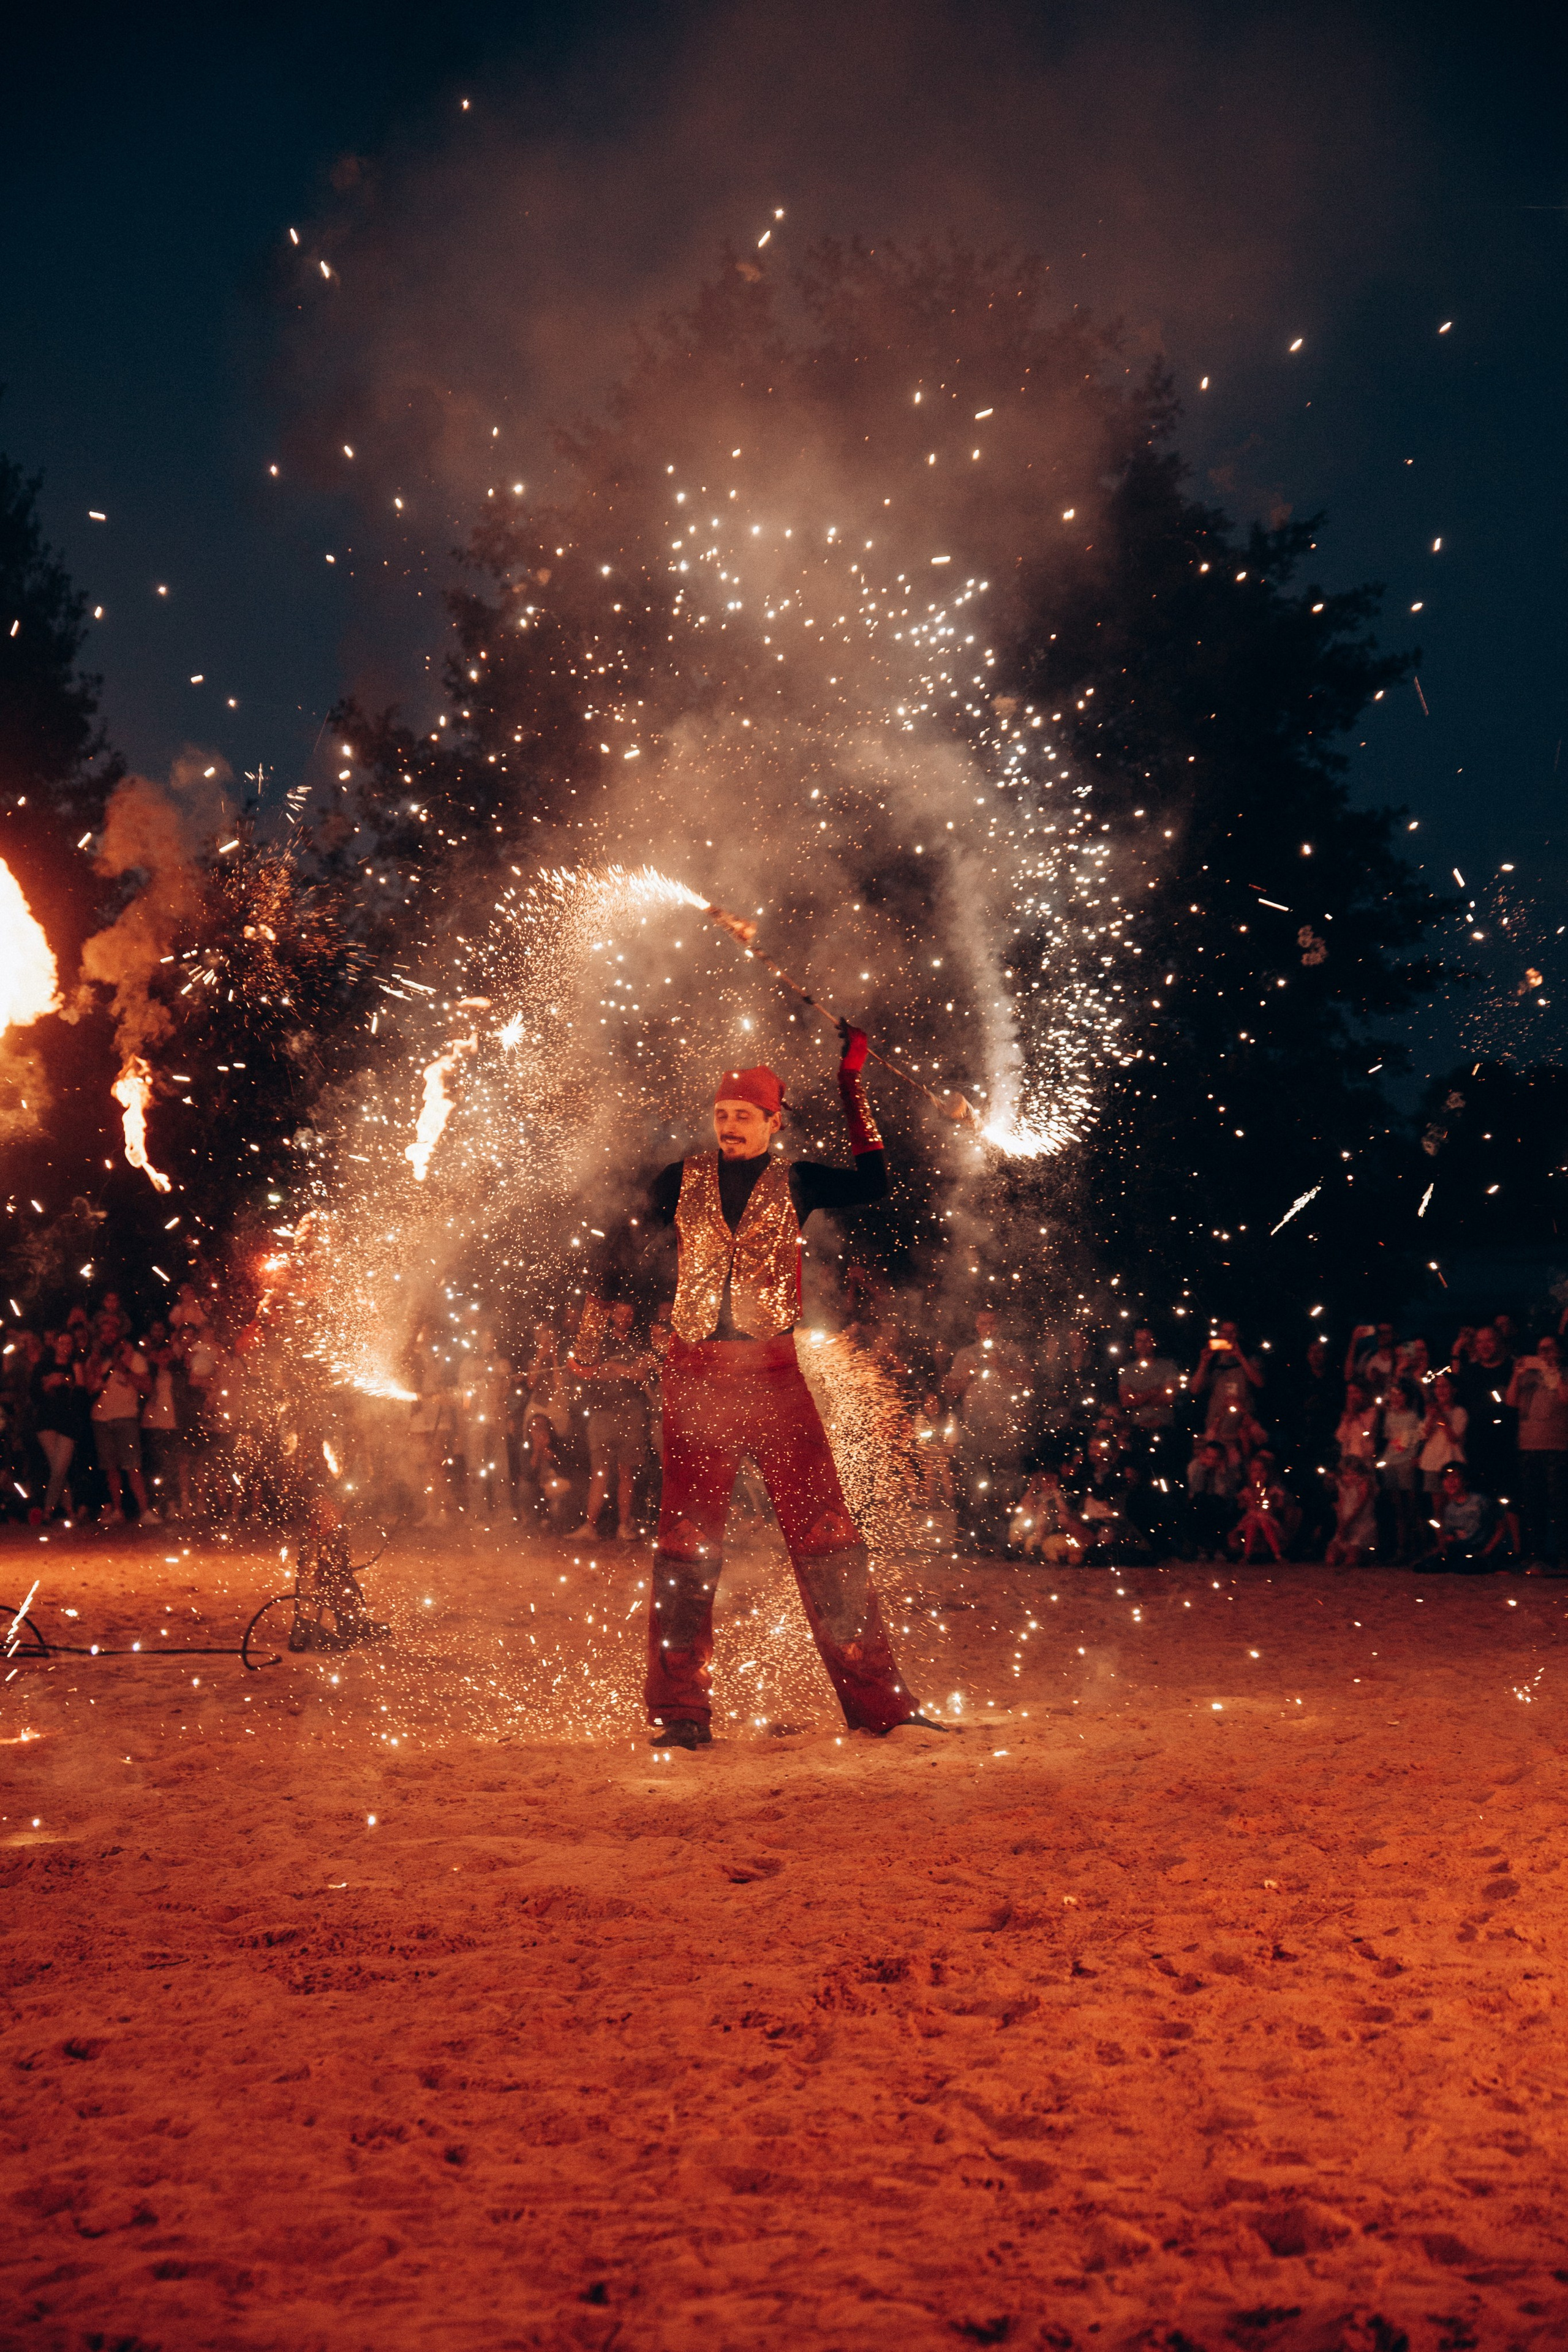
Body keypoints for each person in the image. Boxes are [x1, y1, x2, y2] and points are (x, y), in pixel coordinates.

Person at [640, 1028, 937, 1749]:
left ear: (775, 1122)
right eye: (722, 1114)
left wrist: (852, 1085)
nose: (730, 1125)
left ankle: (881, 1706)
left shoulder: (798, 1180)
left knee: (827, 1537)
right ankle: (681, 1713)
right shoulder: (676, 1180)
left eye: (745, 1115)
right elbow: (624, 1246)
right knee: (686, 1547)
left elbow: (875, 1182)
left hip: (774, 1379)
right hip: (697, 1379)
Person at [943, 1309, 1036, 1551]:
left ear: (1000, 1325)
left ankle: (1005, 1541)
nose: (988, 1328)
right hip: (974, 1430)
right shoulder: (965, 1354)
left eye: (993, 1323)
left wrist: (1001, 1366)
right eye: (984, 1323)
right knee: (972, 1487)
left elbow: (1028, 1380)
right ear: (976, 1325)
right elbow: (951, 1389)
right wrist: (968, 1376)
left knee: (1005, 1488)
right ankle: (969, 1541)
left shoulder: (1012, 1352)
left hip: (1005, 1430)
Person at [569, 1301, 653, 1540]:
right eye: (620, 1314)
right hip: (602, 1414)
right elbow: (594, 1374)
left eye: (630, 1315)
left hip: (632, 1414)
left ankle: (624, 1527)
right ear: (612, 1316)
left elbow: (641, 1374)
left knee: (626, 1472)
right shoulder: (601, 1342)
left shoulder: (638, 1344)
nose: (625, 1319)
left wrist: (616, 1367)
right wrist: (620, 1371)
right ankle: (590, 1527)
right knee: (600, 1473)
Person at [1506, 1335, 1568, 1573]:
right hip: (1529, 1447)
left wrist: (1556, 1373)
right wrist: (1516, 1374)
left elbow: (1565, 1398)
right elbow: (1512, 1402)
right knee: (1534, 1506)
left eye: (1550, 1349)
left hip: (1558, 1448)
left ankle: (1564, 1558)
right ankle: (1538, 1558)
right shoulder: (1530, 1376)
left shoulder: (1565, 1373)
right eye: (1541, 1350)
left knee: (1561, 1505)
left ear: (1560, 1351)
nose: (1544, 1354)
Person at [86, 1332, 152, 1523]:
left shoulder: (136, 1359)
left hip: (126, 1417)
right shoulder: (97, 1360)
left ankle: (144, 1511)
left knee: (133, 1466)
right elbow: (90, 1388)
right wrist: (97, 1368)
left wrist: (124, 1369)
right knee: (110, 1468)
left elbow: (147, 1387)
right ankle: (117, 1511)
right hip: (101, 1419)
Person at [32, 1332, 89, 1522]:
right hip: (47, 1422)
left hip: (68, 1423)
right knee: (58, 1467)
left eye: (69, 1343)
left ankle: (48, 1510)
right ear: (55, 1345)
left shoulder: (75, 1367)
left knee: (60, 1467)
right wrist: (48, 1385)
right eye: (61, 1342)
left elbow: (82, 1399)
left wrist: (72, 1380)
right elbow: (34, 1396)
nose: (65, 1346)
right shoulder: (43, 1367)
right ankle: (69, 1510)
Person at [456, 1322, 511, 1518]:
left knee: (501, 1468)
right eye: (486, 1338)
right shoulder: (467, 1364)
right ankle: (478, 1512)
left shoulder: (502, 1364)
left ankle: (503, 1510)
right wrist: (464, 1422)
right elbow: (463, 1397)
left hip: (497, 1420)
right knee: (476, 1468)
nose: (490, 1342)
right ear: (478, 1342)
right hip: (475, 1424)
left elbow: (506, 1394)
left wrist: (503, 1376)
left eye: (492, 1339)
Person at [1457, 1324, 1516, 1502]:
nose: (1484, 1346)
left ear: (1499, 1342)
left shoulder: (1512, 1369)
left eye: (1489, 1340)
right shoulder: (1470, 1372)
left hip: (1508, 1446)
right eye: (1479, 1342)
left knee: (1509, 1498)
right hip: (1478, 1446)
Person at [1415, 1463, 1504, 1574]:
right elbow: (1450, 1534)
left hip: (1478, 1549)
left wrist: (1486, 1551)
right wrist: (1443, 1545)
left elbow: (1501, 1527)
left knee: (1464, 1567)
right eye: (1446, 1478)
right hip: (1459, 1548)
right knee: (1426, 1566)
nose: (1450, 1482)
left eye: (1455, 1478)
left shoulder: (1480, 1502)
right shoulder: (1448, 1507)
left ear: (1465, 1481)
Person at [1378, 1377, 1424, 1563]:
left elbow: (1418, 1439)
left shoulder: (1413, 1416)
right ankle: (1401, 1546)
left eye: (1399, 1395)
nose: (1396, 1398)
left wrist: (1416, 1456)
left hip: (1407, 1462)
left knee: (1411, 1504)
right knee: (1397, 1506)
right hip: (1391, 1462)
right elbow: (1390, 1438)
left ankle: (1416, 1545)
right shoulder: (1389, 1416)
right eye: (1393, 1395)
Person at [1193, 1321, 1263, 1438]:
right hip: (1216, 1425)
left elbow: (1259, 1382)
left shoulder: (1250, 1355)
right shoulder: (1213, 1359)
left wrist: (1240, 1357)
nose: (1228, 1335)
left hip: (1244, 1425)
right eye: (1224, 1331)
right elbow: (1195, 1389)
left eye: (1233, 1332)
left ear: (1239, 1334)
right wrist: (1204, 1362)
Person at [1187, 1438, 1239, 1559]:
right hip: (1200, 1501)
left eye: (1215, 1459)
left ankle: (1217, 1547)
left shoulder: (1229, 1471)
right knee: (1201, 1505)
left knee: (1217, 1506)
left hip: (1219, 1502)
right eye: (1209, 1457)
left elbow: (1225, 1493)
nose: (1211, 1461)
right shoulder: (1195, 1467)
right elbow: (1195, 1489)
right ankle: (1202, 1547)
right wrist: (1203, 1469)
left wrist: (1222, 1473)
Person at [1418, 1372, 1468, 1498]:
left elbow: (1453, 1438)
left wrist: (1440, 1415)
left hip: (1452, 1463)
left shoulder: (1459, 1412)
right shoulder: (1431, 1412)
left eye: (1445, 1386)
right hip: (1432, 1464)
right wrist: (1432, 1417)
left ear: (1454, 1390)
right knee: (1437, 1504)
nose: (1440, 1390)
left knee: (1454, 1500)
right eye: (1438, 1387)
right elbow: (1424, 1436)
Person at [1325, 1457, 1378, 1567]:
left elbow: (1360, 1508)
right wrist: (1340, 1526)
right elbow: (1341, 1505)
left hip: (1361, 1524)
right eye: (1347, 1474)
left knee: (1351, 1561)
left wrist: (1346, 1526)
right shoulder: (1341, 1484)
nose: (1350, 1478)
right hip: (1345, 1523)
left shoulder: (1365, 1483)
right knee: (1331, 1560)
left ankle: (1365, 1554)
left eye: (1354, 1474)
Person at [1334, 1381, 1380, 1466]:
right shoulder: (1348, 1415)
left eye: (1355, 1392)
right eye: (1349, 1393)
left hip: (1363, 1460)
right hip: (1348, 1458)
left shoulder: (1372, 1413)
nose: (1352, 1397)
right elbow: (1340, 1437)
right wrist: (1347, 1421)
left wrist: (1355, 1416)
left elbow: (1365, 1435)